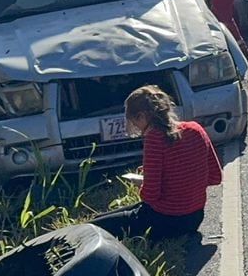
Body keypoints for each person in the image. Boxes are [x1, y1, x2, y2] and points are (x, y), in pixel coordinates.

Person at [93, 85, 223, 239]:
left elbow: (150, 196)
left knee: (94, 227)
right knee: (109, 216)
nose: (136, 127)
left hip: (166, 220)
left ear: (142, 116)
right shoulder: (196, 129)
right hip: (195, 217)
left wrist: (145, 180)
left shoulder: (155, 137)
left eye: (134, 121)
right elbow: (215, 177)